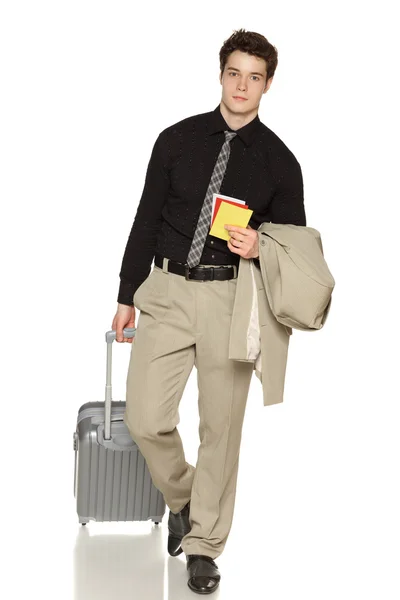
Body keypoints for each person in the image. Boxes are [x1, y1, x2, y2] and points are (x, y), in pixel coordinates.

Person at [111, 28, 306, 595]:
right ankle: (187, 499)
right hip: (167, 291)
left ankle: (203, 546)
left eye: (255, 76)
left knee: (221, 429)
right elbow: (145, 217)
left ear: (268, 84)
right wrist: (127, 294)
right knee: (146, 418)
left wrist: (260, 245)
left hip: (232, 298)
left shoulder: (279, 162)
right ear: (220, 74)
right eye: (234, 73)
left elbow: (294, 246)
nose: (242, 85)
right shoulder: (175, 141)